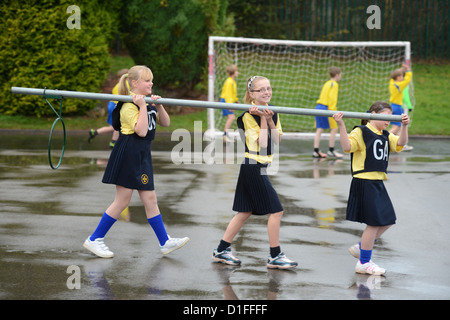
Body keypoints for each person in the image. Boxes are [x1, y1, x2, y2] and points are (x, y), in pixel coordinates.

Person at [83, 65, 189, 258]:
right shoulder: (128, 105)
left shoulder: (146, 102)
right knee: (122, 200)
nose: (151, 83)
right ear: (135, 83)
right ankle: (94, 239)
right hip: (128, 153)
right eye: (147, 80)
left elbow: (165, 123)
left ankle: (164, 241)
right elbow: (140, 131)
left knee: (150, 199)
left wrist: (159, 105)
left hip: (142, 155)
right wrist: (141, 107)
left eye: (151, 80)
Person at [212, 75, 298, 270]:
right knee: (277, 211)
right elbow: (264, 143)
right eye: (261, 90)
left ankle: (221, 250)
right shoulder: (247, 117)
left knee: (244, 212)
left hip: (257, 166)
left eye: (269, 88)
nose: (267, 92)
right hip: (253, 166)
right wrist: (262, 119)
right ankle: (275, 255)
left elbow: (276, 140)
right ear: (252, 95)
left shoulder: (272, 112)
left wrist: (269, 119)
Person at [332, 101, 410, 275]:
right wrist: (341, 125)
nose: (389, 120)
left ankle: (362, 248)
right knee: (373, 223)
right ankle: (364, 262)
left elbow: (401, 144)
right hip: (364, 181)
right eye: (386, 116)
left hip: (378, 182)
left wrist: (404, 126)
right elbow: (346, 147)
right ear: (374, 114)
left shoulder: (385, 134)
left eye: (392, 117)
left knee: (388, 220)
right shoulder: (361, 131)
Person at [88, 69, 129, 148]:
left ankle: (96, 132)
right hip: (116, 106)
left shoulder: (117, 85)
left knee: (114, 126)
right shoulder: (126, 84)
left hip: (112, 104)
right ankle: (113, 142)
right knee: (119, 125)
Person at [313, 67, 343, 159]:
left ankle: (316, 151)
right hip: (326, 108)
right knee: (334, 128)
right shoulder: (334, 84)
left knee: (320, 129)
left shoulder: (327, 83)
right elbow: (332, 99)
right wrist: (333, 111)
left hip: (318, 107)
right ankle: (331, 150)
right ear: (337, 75)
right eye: (341, 75)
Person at [389, 63, 412, 135]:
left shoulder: (392, 82)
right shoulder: (400, 85)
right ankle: (384, 138)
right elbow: (407, 80)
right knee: (397, 126)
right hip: (397, 106)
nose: (403, 77)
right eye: (401, 76)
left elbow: (395, 77)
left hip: (392, 106)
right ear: (398, 77)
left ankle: (397, 143)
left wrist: (400, 71)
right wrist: (408, 70)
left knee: (396, 126)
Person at [219, 65, 239, 142]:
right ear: (233, 72)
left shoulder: (233, 81)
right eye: (236, 71)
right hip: (226, 101)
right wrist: (230, 105)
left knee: (230, 117)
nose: (238, 72)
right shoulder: (229, 82)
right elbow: (228, 95)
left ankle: (225, 134)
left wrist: (236, 100)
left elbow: (232, 94)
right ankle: (225, 135)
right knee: (231, 117)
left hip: (228, 101)